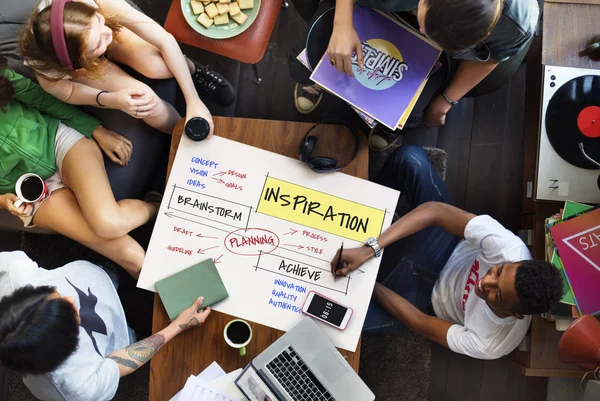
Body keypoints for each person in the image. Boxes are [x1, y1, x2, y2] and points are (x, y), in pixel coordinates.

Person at [330, 144, 564, 360]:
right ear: (516, 262)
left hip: (421, 297)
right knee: (410, 158)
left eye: (497, 295)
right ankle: (372, 202)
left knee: (337, 319)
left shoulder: (490, 343)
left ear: (515, 314)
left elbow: (419, 321)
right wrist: (371, 248)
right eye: (499, 271)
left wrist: (368, 283)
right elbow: (434, 212)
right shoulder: (509, 248)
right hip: (444, 244)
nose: (485, 282)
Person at [0, 57, 154, 278]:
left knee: (110, 223)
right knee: (134, 258)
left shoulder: (3, 78)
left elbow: (45, 102)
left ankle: (157, 206)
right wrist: (4, 201)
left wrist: (97, 130)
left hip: (57, 142)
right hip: (29, 194)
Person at [290, 0, 538, 135]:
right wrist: (342, 23)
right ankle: (313, 80)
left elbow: (492, 57)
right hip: (369, 6)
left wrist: (445, 101)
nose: (422, 33)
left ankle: (383, 124)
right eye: (424, 26)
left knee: (412, 117)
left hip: (432, 45)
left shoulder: (516, 22)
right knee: (305, 62)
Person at [0, 251, 212, 400]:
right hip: (124, 327)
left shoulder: (10, 273)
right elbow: (117, 363)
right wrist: (177, 326)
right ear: (68, 344)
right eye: (71, 313)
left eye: (54, 294)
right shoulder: (77, 387)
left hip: (100, 271)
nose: (72, 300)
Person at [19, 0, 236, 137]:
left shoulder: (95, 5)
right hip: (79, 60)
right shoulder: (46, 66)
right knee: (143, 99)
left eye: (99, 22)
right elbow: (69, 91)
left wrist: (193, 100)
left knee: (159, 65)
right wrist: (112, 100)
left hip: (86, 38)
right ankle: (184, 134)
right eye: (99, 43)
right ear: (78, 63)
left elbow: (164, 40)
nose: (108, 34)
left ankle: (193, 70)